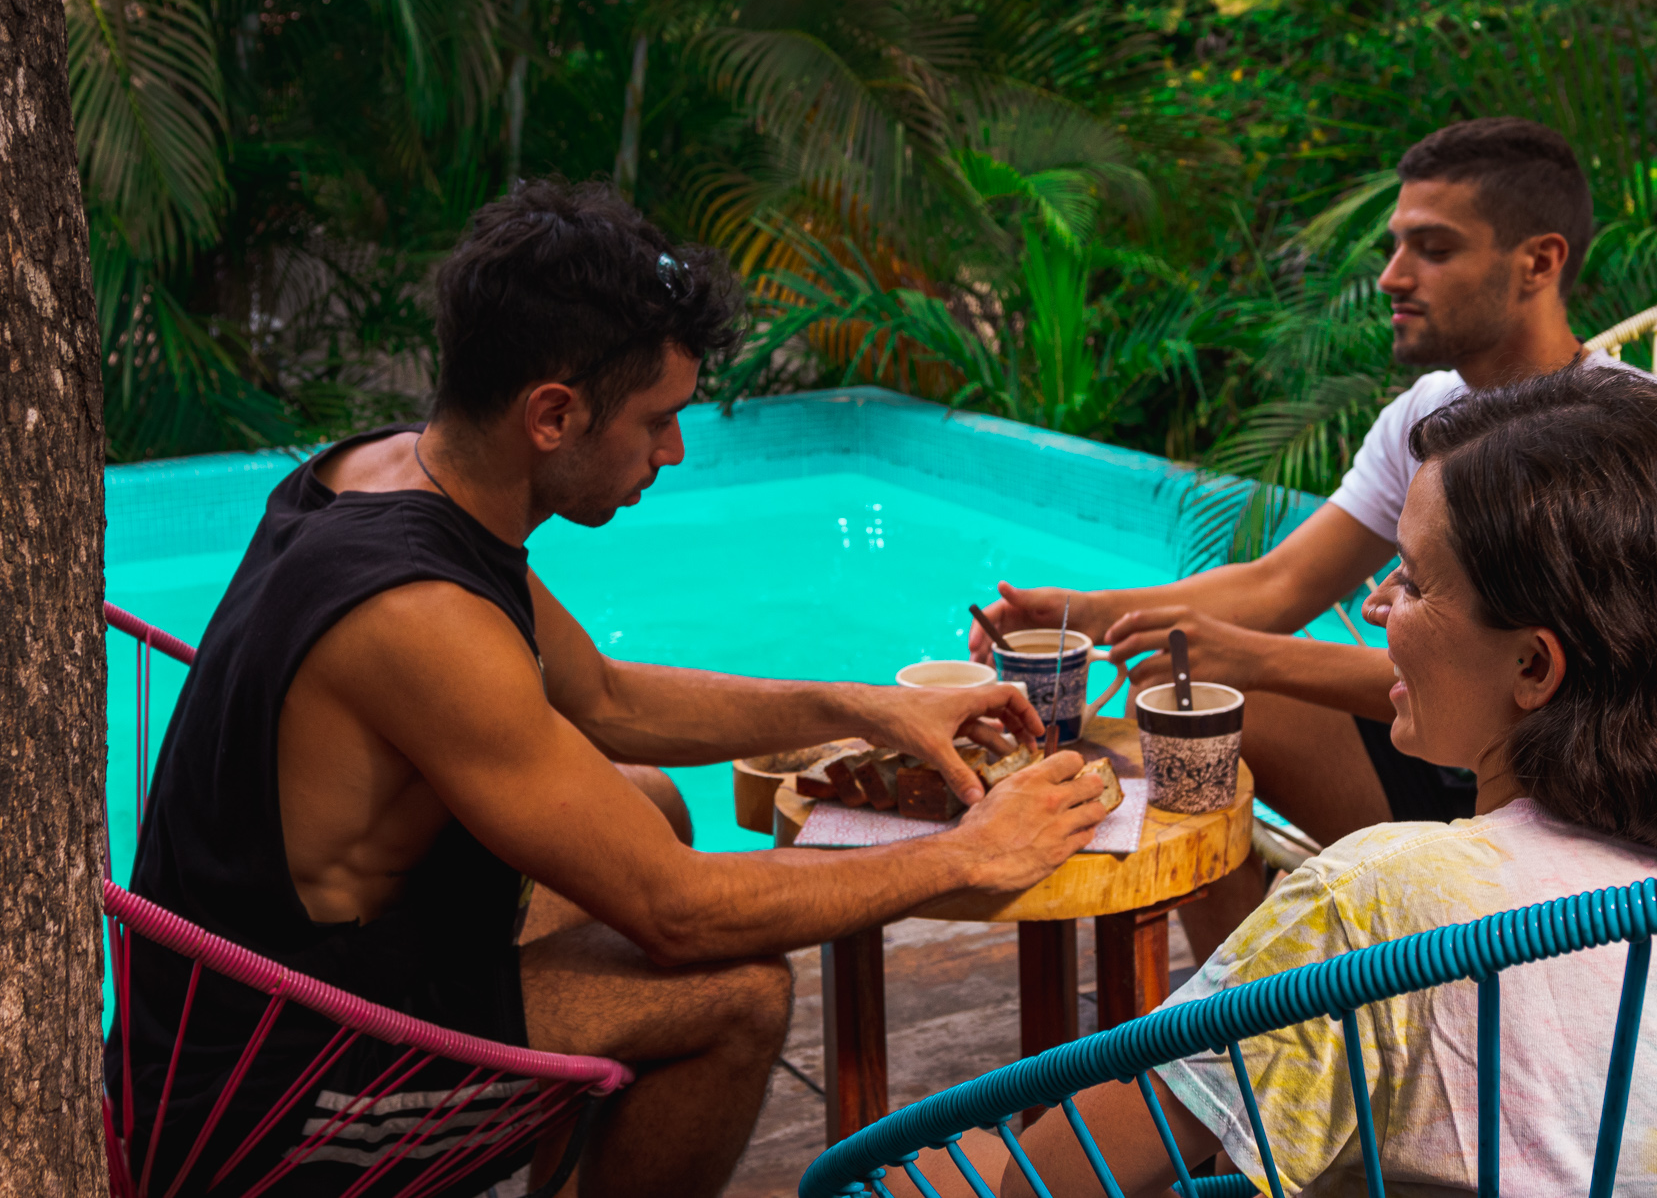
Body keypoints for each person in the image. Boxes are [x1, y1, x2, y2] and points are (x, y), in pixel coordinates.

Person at [110, 181, 1112, 1198]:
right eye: (657, 421)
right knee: (734, 994)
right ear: (553, 413)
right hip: (279, 1089)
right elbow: (676, 913)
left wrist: (866, 706)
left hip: (311, 975)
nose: (670, 453)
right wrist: (970, 854)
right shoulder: (417, 614)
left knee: (648, 797)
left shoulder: (390, 475)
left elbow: (603, 698)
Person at [907, 366, 1657, 1196]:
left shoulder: (1384, 902)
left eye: (1415, 584)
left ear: (1532, 667)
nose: (1381, 608)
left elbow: (1051, 1178)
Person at [973, 117, 1657, 960]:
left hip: (1574, 799)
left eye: (1433, 250)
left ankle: (1324, 999)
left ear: (1539, 261)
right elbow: (1280, 584)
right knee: (1202, 716)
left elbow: (1552, 693)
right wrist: (1080, 612)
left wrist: (1257, 657)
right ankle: (1240, 1025)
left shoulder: (1626, 440)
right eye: (1396, 245)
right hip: (1441, 754)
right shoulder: (1427, 412)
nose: (1391, 276)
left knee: (1239, 684)